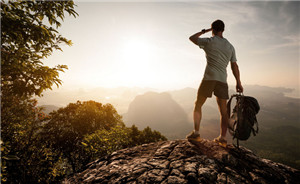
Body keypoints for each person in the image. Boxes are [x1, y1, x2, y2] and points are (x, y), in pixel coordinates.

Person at [186, 19, 243, 145]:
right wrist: (238, 82)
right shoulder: (230, 46)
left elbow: (192, 38)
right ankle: (222, 138)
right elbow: (235, 66)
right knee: (223, 111)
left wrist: (204, 31)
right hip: (222, 80)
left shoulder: (209, 41)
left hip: (209, 78)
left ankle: (196, 134)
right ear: (223, 29)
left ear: (213, 29)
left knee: (198, 104)